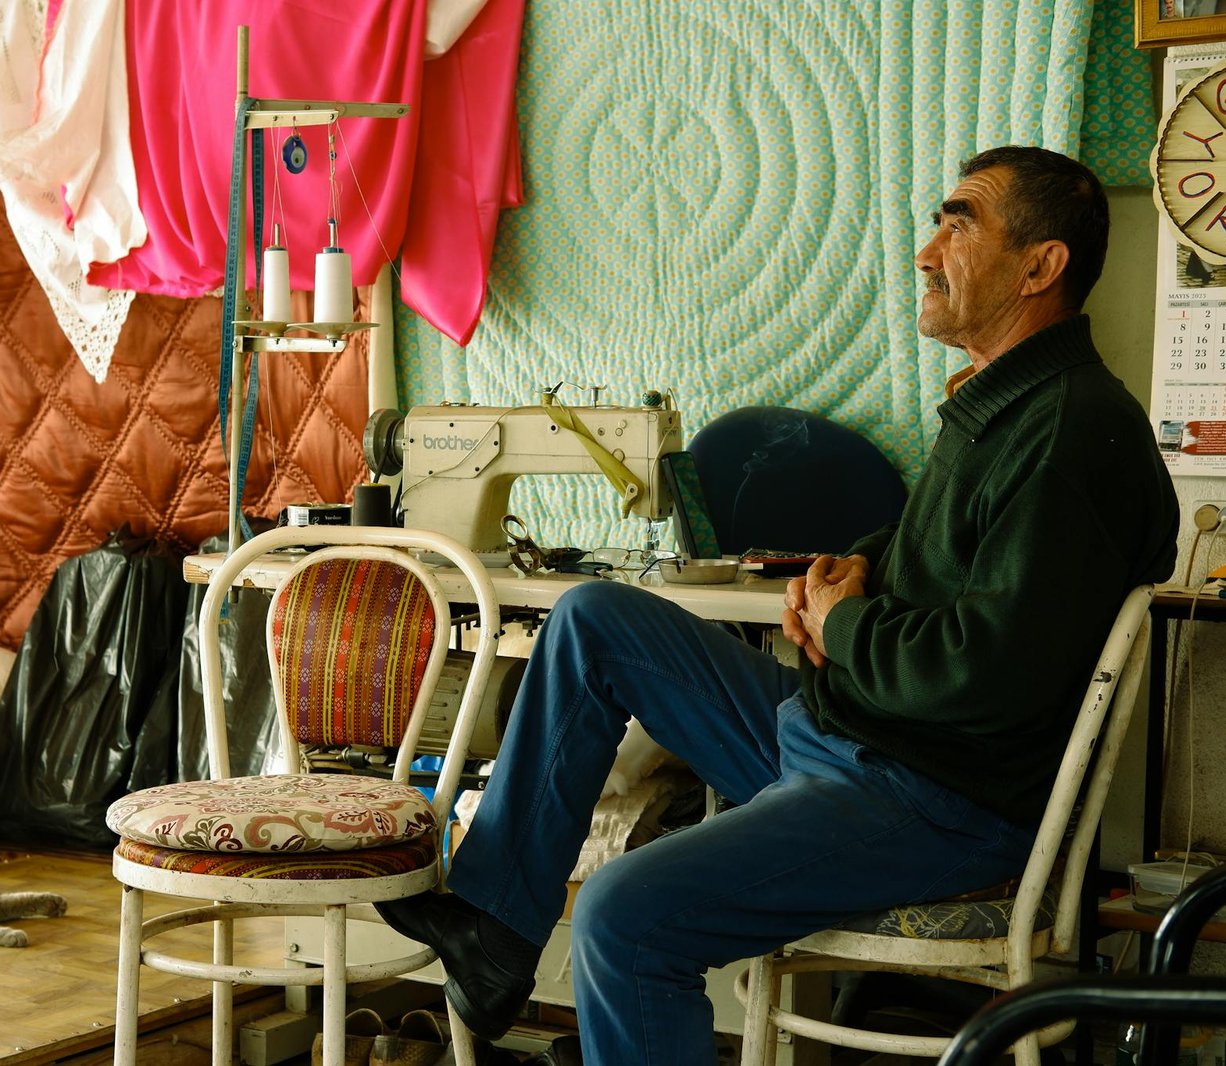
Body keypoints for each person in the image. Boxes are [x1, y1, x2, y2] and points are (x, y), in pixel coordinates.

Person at [377, 145, 1179, 1065]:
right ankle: (498, 930)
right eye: (936, 222)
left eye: (959, 224)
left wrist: (844, 624)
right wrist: (846, 573)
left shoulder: (1069, 436)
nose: (926, 252)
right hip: (849, 737)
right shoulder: (1005, 404)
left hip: (930, 798)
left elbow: (985, 669)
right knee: (596, 619)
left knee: (624, 916)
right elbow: (934, 555)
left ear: (1042, 266)